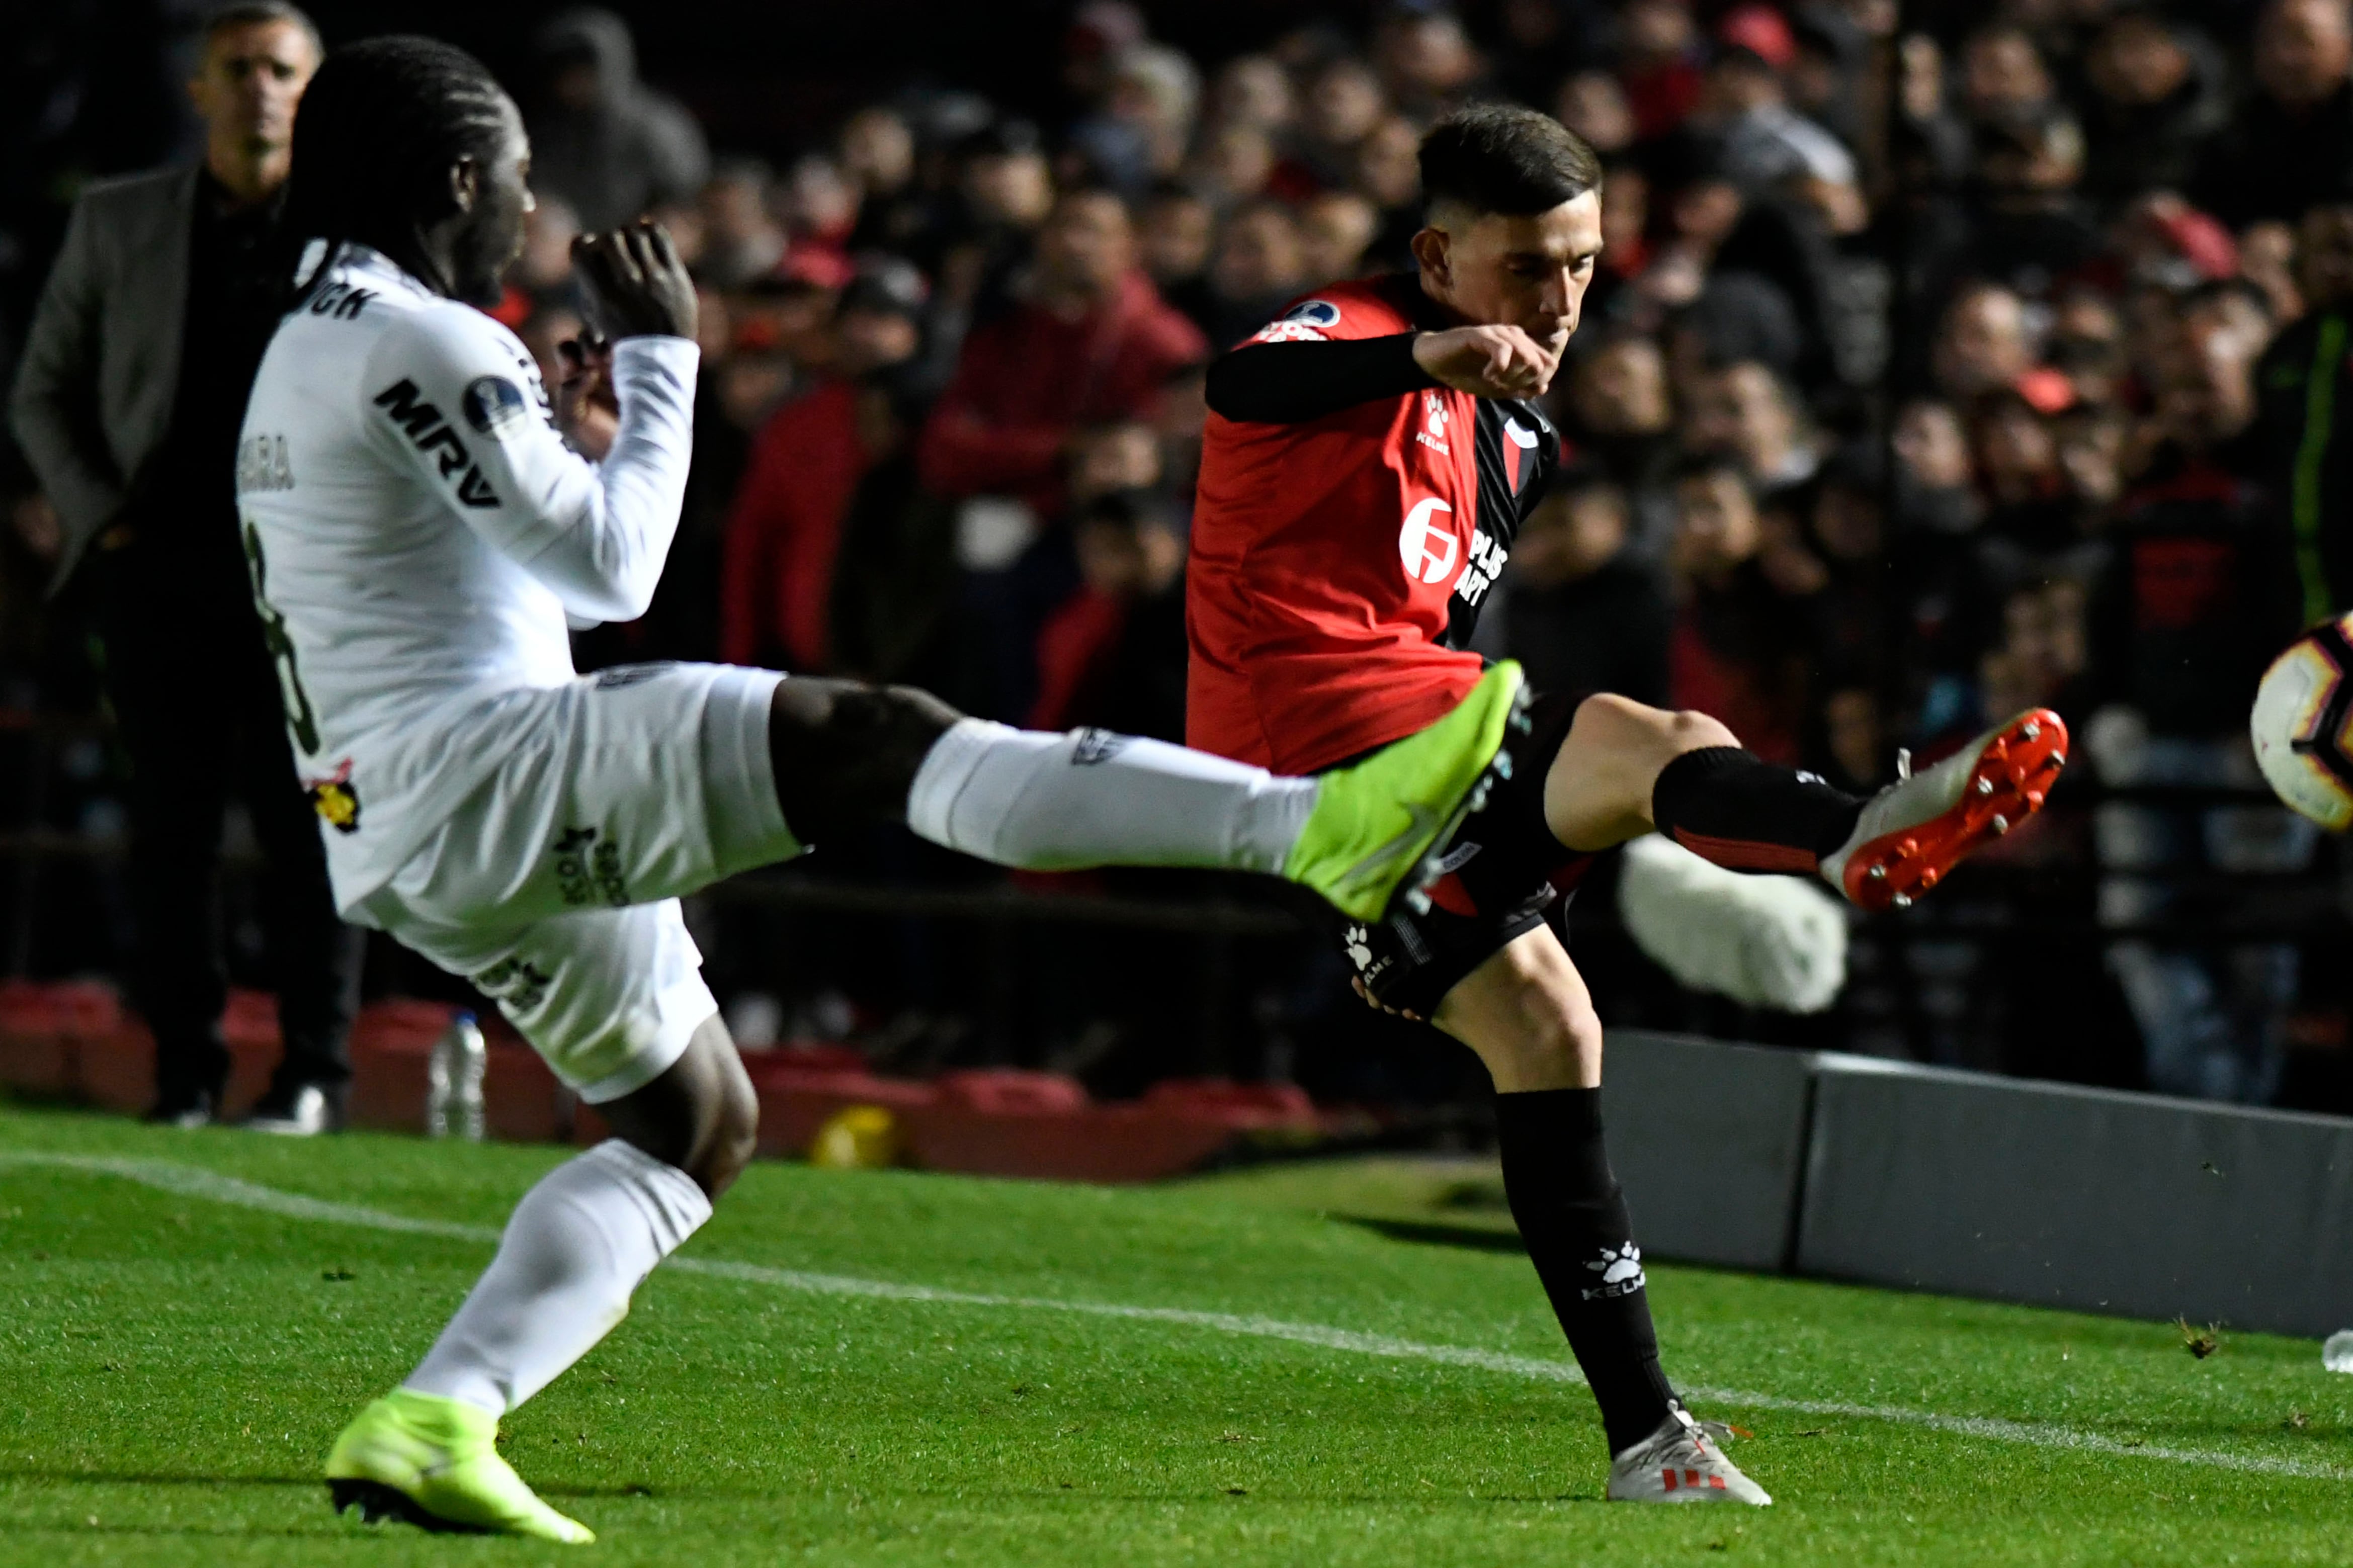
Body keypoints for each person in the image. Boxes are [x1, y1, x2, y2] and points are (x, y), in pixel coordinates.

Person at [242, 39, 1524, 1541]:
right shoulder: (425, 341)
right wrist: (664, 361)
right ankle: (1324, 831)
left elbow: (513, 586)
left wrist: (583, 444)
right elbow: (620, 567)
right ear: (457, 180)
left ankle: (436, 1412)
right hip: (482, 772)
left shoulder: (315, 338)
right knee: (876, 735)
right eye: (520, 181)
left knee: (690, 1124)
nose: (534, 213)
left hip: (400, 820)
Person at [1188, 103, 2070, 1505]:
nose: (1558, 297)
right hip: (1305, 747)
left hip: (1406, 765)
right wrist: (1424, 351)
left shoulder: (1517, 438)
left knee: (1554, 1028)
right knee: (1620, 733)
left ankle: (1650, 1441)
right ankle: (1847, 830)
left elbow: (1450, 619)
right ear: (1432, 257)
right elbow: (1242, 387)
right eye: (1526, 265)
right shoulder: (1344, 330)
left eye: (1583, 264)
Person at [9, 1, 364, 1135]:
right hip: (159, 572)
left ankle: (314, 1071)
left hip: (307, 585)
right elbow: (43, 388)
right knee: (173, 835)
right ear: (200, 88)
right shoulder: (122, 220)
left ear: (312, 90)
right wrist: (103, 518)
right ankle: (185, 1074)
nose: (259, 86)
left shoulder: (363, 233)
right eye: (237, 68)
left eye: (281, 68)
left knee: (314, 827)